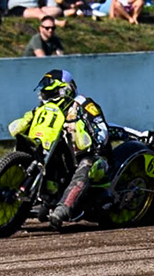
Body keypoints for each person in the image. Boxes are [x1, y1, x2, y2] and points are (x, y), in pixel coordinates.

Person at [10, 70, 110, 226]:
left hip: (88, 156)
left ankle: (63, 209)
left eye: (51, 93)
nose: (46, 97)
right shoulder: (44, 109)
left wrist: (80, 131)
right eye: (44, 94)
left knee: (89, 165)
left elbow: (101, 129)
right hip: (58, 156)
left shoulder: (83, 103)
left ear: (65, 90)